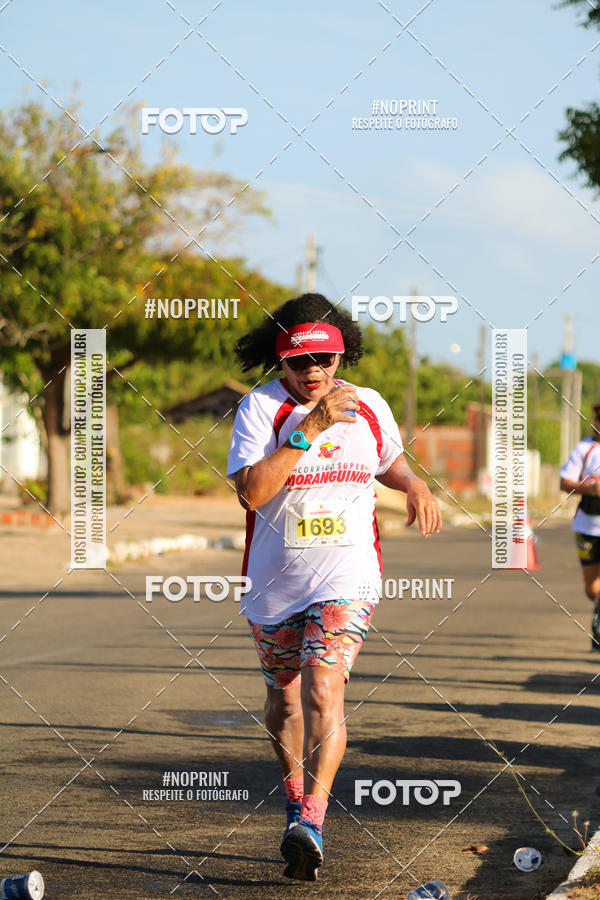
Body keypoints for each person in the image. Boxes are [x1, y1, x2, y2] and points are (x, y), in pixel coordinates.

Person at [227, 293, 442, 881]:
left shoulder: (368, 405)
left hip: (348, 577)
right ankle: (295, 794)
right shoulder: (260, 410)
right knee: (285, 700)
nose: (314, 372)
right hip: (274, 584)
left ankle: (313, 822)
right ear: (282, 363)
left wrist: (414, 485)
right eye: (301, 363)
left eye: (325, 359)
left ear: (341, 355)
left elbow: (387, 462)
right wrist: (310, 429)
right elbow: (253, 493)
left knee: (325, 690)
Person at [560, 400, 600, 651]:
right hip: (587, 526)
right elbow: (564, 483)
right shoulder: (584, 449)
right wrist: (591, 488)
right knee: (591, 587)